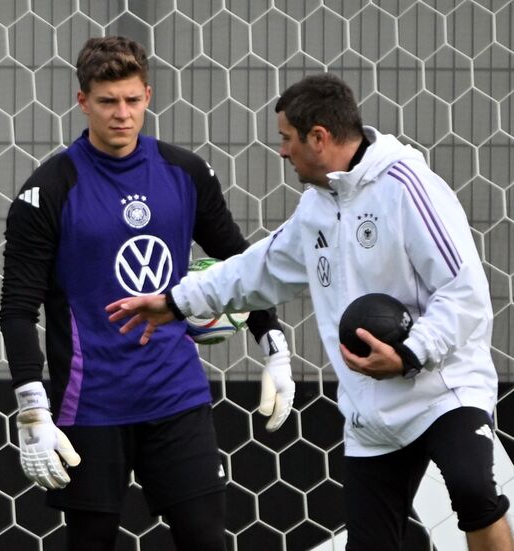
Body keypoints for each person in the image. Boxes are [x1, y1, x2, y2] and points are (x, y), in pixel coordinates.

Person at [107, 73, 513, 550]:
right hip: (372, 411)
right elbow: (258, 269)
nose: (282, 151)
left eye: (286, 138)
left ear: (318, 137)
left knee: (474, 492)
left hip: (442, 389)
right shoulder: (316, 207)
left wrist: (409, 354)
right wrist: (175, 302)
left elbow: (465, 292)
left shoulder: (407, 187)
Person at [0, 36, 295, 551]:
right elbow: (18, 310)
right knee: (91, 543)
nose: (122, 114)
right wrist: (32, 411)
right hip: (89, 405)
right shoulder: (47, 190)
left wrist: (273, 343)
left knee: (207, 540)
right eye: (108, 102)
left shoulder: (186, 172)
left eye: (132, 100)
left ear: (149, 96)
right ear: (82, 101)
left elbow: (239, 262)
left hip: (175, 395)